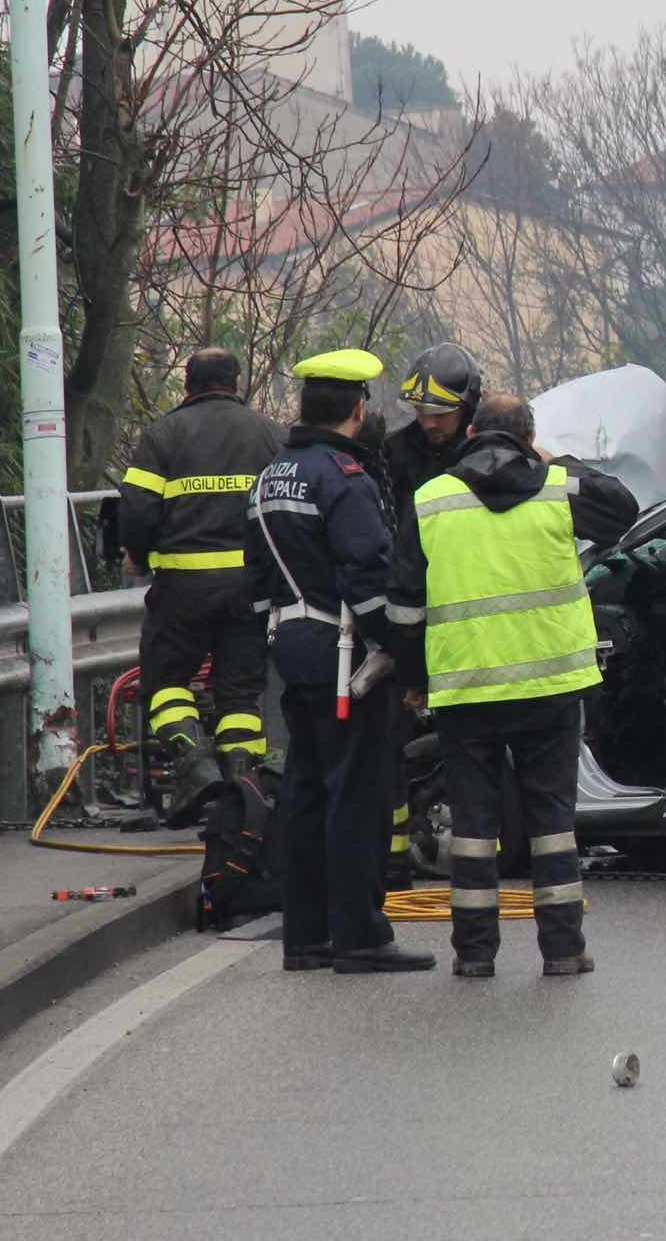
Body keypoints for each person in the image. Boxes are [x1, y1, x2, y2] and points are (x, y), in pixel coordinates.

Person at [395, 392, 637, 979]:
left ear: (471, 431)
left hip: (466, 690)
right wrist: (557, 461)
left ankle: (474, 955)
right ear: (529, 437)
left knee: (475, 828)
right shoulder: (557, 486)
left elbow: (403, 608)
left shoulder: (430, 500)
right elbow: (624, 507)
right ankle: (561, 949)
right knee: (552, 823)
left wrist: (415, 680)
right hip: (550, 688)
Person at [248, 349, 432, 974]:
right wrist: (406, 657)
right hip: (345, 656)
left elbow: (255, 572)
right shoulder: (345, 477)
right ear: (359, 408)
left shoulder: (273, 474)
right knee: (358, 794)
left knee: (304, 790)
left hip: (291, 648)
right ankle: (360, 934)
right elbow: (369, 579)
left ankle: (306, 936)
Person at [116, 347, 282, 819]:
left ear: (188, 384)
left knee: (165, 681)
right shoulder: (270, 435)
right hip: (250, 588)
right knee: (240, 693)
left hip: (182, 587)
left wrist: (138, 553)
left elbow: (137, 510)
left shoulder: (164, 434)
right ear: (236, 383)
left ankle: (194, 759)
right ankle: (242, 785)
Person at [378, 342, 486, 882]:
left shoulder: (485, 455)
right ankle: (396, 855)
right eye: (422, 413)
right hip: (412, 607)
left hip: (472, 614)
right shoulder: (395, 454)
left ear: (468, 408)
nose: (429, 424)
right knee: (396, 736)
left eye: (440, 414)